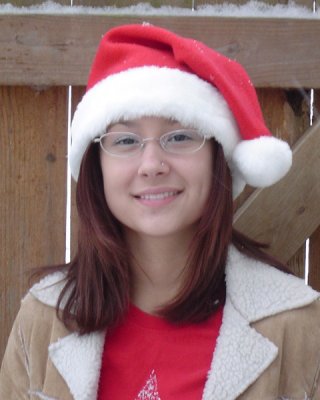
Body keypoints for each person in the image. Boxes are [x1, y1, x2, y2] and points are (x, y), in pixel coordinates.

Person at [0, 24, 319, 400]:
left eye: (180, 136)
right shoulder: (44, 318)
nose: (151, 164)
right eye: (125, 140)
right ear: (96, 165)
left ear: (218, 160)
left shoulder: (297, 326)